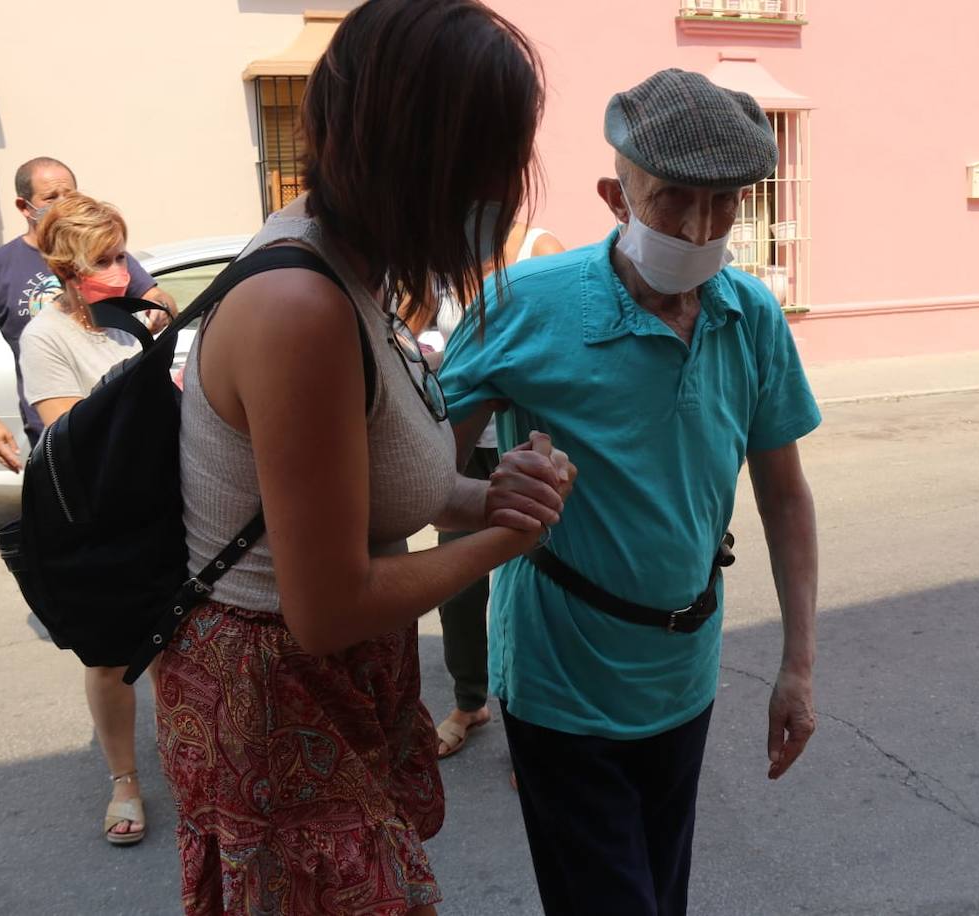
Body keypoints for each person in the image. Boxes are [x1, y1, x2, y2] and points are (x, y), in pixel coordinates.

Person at [152, 2, 571, 914]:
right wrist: (507, 541)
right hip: (279, 697)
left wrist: (487, 494)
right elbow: (326, 606)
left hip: (329, 684)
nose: (506, 185)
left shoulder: (353, 264)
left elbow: (377, 486)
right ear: (419, 153)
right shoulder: (302, 307)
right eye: (492, 155)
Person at [439, 68, 821, 916]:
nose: (701, 226)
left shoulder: (749, 315)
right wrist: (494, 496)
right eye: (673, 199)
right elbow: (418, 484)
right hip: (562, 679)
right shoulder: (522, 307)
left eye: (726, 202)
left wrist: (797, 665)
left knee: (662, 893)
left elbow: (785, 496)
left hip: (684, 674)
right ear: (616, 195)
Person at [17, 193, 151, 845]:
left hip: (163, 503)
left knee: (186, 644)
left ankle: (200, 760)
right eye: (106, 258)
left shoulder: (140, 316)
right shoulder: (46, 335)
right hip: (98, 517)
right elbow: (66, 429)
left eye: (123, 254)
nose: (122, 269)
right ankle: (124, 779)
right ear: (71, 270)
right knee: (109, 659)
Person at [422, 222, 565, 760]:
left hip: (519, 446)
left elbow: (563, 345)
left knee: (525, 585)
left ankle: (529, 724)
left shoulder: (538, 251)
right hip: (459, 445)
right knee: (457, 589)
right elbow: (406, 330)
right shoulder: (441, 265)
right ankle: (470, 700)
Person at [0, 156, 176, 469]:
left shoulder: (110, 272)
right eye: (51, 198)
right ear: (24, 206)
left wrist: (160, 311)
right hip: (62, 433)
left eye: (70, 195)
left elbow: (157, 297)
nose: (63, 204)